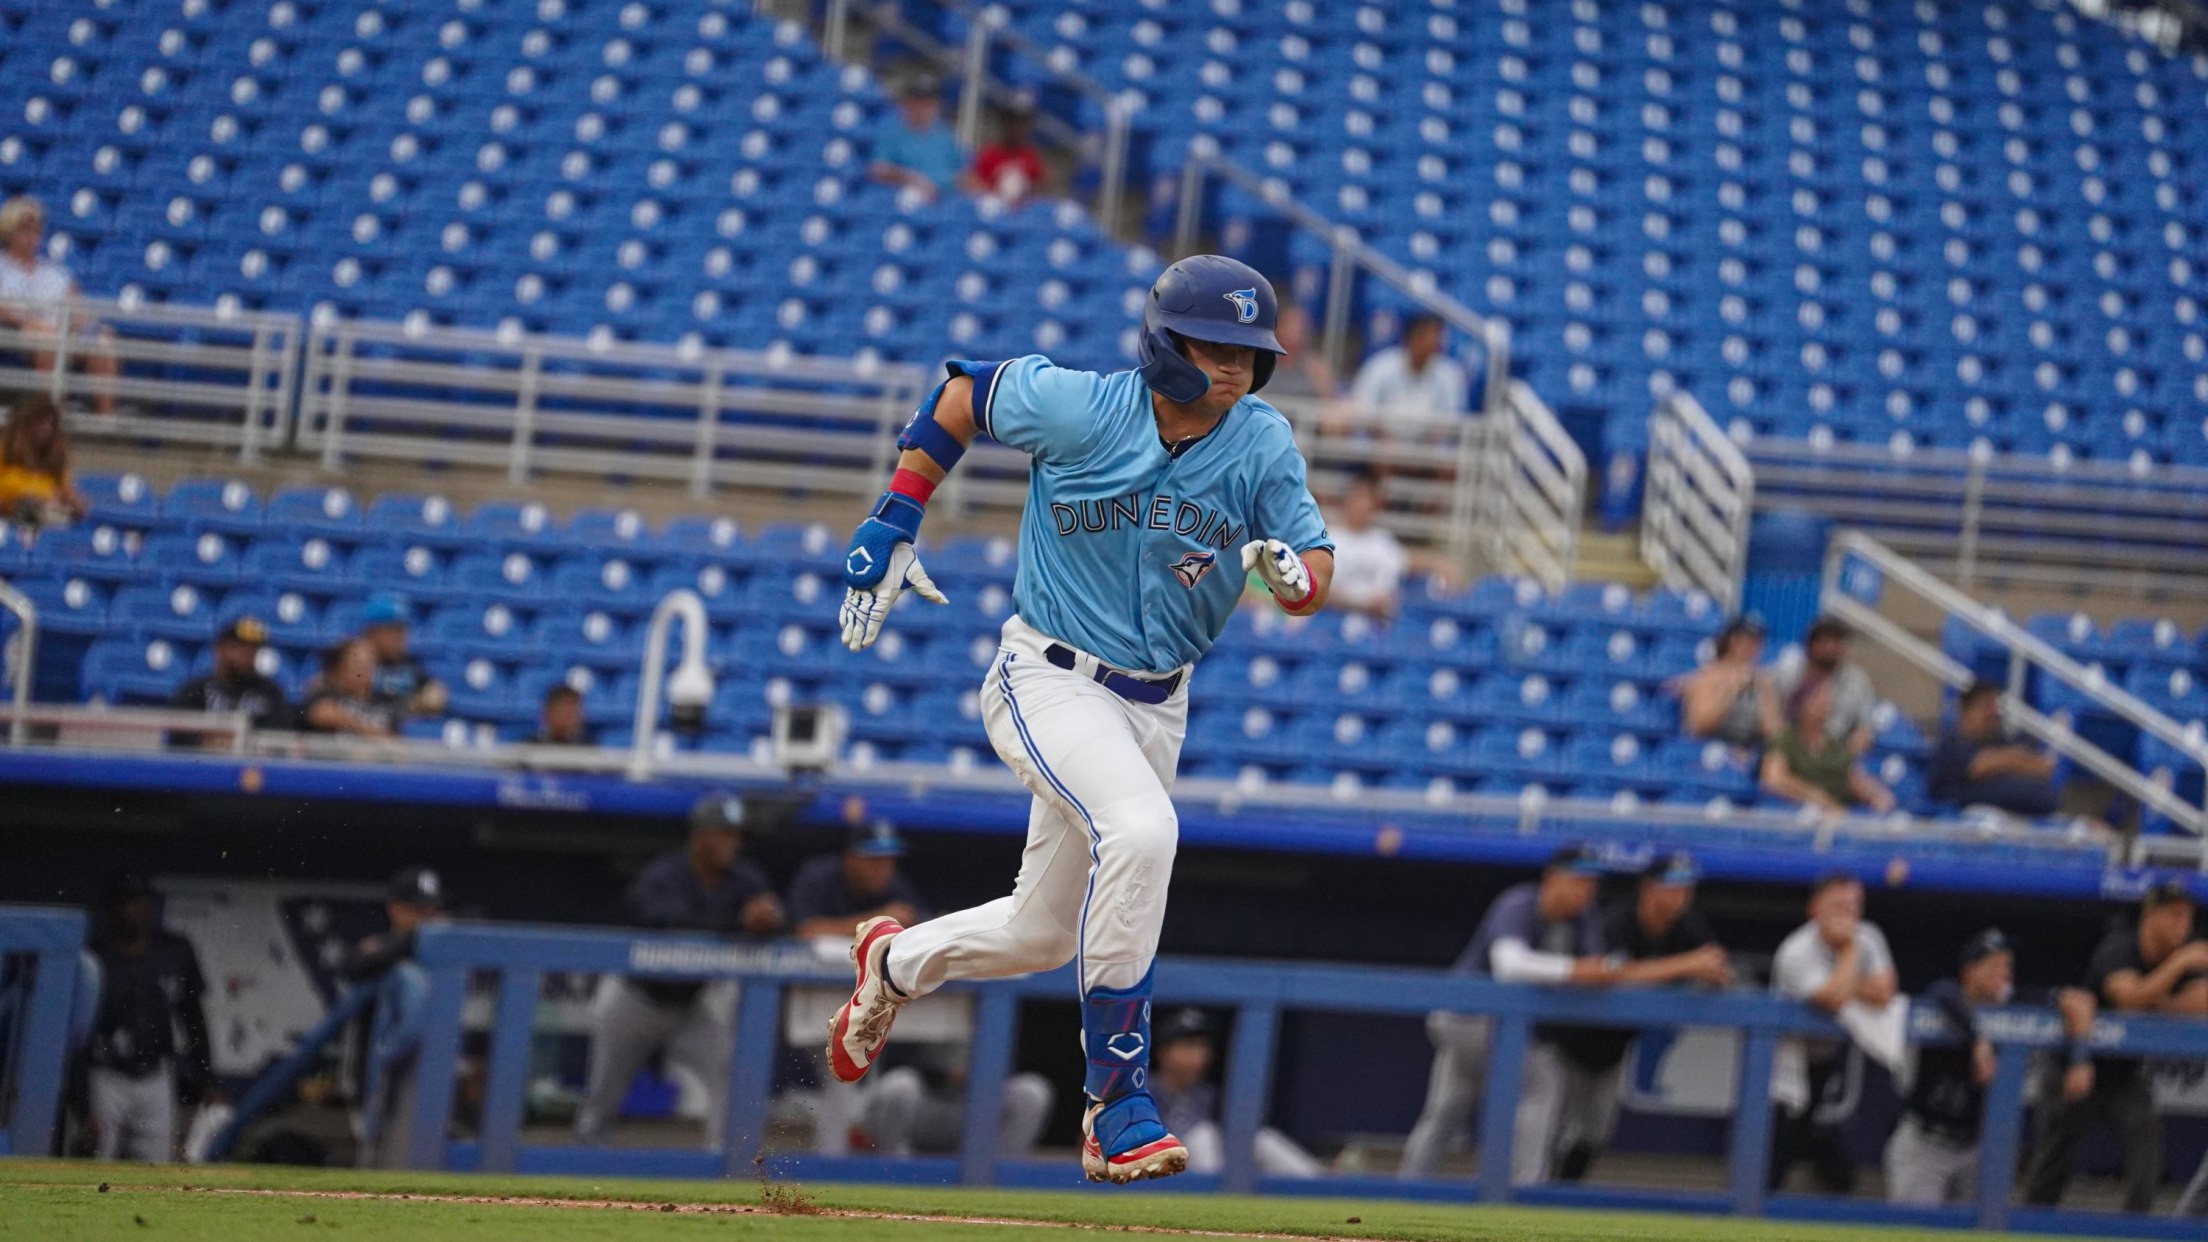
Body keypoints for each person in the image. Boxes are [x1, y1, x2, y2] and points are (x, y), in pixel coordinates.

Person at [827, 253, 1336, 1185]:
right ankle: (1115, 1100)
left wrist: (1296, 579)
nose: (1231, 367)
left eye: (1247, 352)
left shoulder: (1261, 441)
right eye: (1212, 345)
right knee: (1141, 831)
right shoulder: (1082, 406)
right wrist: (895, 516)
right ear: (1163, 340)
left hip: (1157, 705)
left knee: (1042, 935)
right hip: (1050, 675)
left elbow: (1313, 564)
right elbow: (962, 395)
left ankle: (895, 962)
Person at [1398, 844, 1733, 1184]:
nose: (1585, 890)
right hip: (1465, 1016)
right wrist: (1577, 970)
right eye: (1578, 880)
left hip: (1507, 1024)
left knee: (1448, 1107)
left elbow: (1603, 972)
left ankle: (1409, 1187)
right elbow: (1509, 965)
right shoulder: (1521, 902)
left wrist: (1599, 971)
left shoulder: (1584, 919)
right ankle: (1522, 1189)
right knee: (1541, 1083)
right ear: (1553, 878)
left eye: (1591, 883)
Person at [577, 793, 784, 1148]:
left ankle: (727, 1164)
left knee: (730, 1071)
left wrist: (770, 919)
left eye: (735, 835)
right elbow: (663, 920)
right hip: (634, 1001)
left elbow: (775, 914)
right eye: (722, 833)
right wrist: (737, 922)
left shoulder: (743, 878)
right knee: (603, 1097)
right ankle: (579, 1170)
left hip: (691, 1006)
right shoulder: (665, 874)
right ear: (699, 836)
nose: (731, 842)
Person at [1541, 852, 1733, 1182]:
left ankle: (1563, 1197)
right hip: (1565, 1041)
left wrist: (1710, 975)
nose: (1681, 896)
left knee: (1594, 1133)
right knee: (1548, 1128)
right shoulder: (1616, 920)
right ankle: (1529, 1198)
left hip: (1614, 1049)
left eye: (1686, 888)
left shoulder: (1688, 927)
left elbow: (1715, 966)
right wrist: (1685, 966)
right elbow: (1610, 975)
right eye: (1672, 887)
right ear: (1648, 888)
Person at [2024, 878, 2208, 1212]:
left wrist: (2156, 999)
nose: (2184, 925)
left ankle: (2134, 1231)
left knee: (2146, 1139)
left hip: (2122, 1075)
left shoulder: (2182, 949)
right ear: (2150, 915)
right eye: (2175, 915)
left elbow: (2202, 1002)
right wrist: (2177, 968)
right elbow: (2129, 998)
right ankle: (2029, 1226)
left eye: (2187, 917)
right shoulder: (2120, 946)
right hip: (2073, 1065)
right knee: (2055, 1157)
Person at [1883, 929, 2095, 1207]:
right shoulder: (1948, 1002)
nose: (2004, 972)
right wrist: (1977, 1039)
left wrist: (2080, 1060)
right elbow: (1941, 991)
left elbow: (2079, 1001)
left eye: (2008, 965)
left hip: (1976, 1148)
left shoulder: (2013, 1002)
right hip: (1926, 1145)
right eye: (1994, 965)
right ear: (1970, 973)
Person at [1768, 872, 1900, 1194]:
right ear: (1815, 908)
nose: (1849, 914)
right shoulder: (1796, 951)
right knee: (1774, 1155)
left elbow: (1885, 991)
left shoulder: (1869, 935)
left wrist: (1847, 968)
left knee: (1827, 1153)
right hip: (1781, 1065)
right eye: (1839, 905)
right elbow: (1833, 999)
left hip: (1826, 1060)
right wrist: (1851, 951)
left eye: (1855, 905)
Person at [81, 872, 215, 1162]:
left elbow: (193, 1017)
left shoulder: (174, 950)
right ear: (112, 909)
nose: (136, 909)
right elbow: (76, 1032)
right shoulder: (93, 957)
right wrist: (80, 1103)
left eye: (141, 901)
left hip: (155, 1074)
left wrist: (207, 1077)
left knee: (156, 1167)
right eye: (127, 902)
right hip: (106, 1074)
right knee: (95, 1161)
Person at [339, 867, 448, 1169]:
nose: (426, 918)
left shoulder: (444, 957)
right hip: (376, 1071)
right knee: (375, 1156)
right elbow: (351, 966)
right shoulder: (383, 947)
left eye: (431, 910)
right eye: (417, 910)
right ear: (395, 909)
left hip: (423, 1074)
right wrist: (411, 940)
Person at [1152, 1007, 1323, 1178]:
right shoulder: (1143, 1089)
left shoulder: (1208, 1094)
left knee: (1263, 1139)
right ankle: (1210, 1197)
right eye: (1188, 1046)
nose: (1198, 1055)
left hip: (1204, 1164)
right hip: (1157, 1170)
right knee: (1202, 1137)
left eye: (1202, 1046)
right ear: (1164, 1052)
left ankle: (1321, 1184)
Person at [0, 195, 119, 414]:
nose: (31, 237)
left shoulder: (54, 272)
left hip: (63, 332)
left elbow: (78, 306)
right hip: (19, 333)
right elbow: (4, 310)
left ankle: (105, 417)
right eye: (24, 230)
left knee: (102, 341)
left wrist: (87, 325)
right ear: (9, 232)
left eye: (35, 231)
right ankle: (55, 415)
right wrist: (34, 324)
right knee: (47, 341)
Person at [1761, 680, 1896, 814]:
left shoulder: (1834, 744)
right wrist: (1817, 798)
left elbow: (1854, 779)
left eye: (1826, 700)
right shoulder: (1786, 739)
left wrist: (1874, 794)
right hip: (1799, 811)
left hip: (1838, 813)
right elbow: (1773, 779)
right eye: (1817, 699)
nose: (1824, 704)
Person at [1927, 680, 2059, 817]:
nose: (1993, 713)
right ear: (1966, 711)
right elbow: (1980, 766)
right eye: (1986, 706)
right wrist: (2015, 759)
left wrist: (2008, 760)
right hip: (1966, 817)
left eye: (1995, 706)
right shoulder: (1952, 744)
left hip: (2021, 815)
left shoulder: (1998, 740)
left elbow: (2044, 769)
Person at [787, 821, 926, 940]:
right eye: (875, 860)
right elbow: (806, 931)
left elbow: (923, 929)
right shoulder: (818, 877)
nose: (884, 870)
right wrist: (878, 922)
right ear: (850, 858)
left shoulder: (895, 884)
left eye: (889, 861)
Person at [1775, 616, 1877, 754]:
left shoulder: (1856, 679)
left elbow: (1866, 723)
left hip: (1835, 752)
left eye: (1840, 641)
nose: (1836, 647)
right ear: (1813, 645)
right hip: (1791, 746)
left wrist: (1861, 736)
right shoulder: (1792, 670)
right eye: (1830, 641)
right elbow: (1772, 715)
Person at [171, 617, 293, 732]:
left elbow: (279, 733)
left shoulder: (270, 693)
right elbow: (180, 738)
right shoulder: (195, 691)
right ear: (220, 649)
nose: (247, 654)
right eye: (240, 647)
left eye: (253, 649)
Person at [1347, 312, 1469, 424]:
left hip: (1429, 446)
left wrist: (1424, 446)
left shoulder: (1449, 374)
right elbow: (1364, 410)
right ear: (1412, 338)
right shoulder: (1378, 367)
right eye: (1427, 336)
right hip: (1379, 445)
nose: (1434, 342)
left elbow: (1451, 421)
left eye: (1437, 336)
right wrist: (1385, 443)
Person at [1680, 615, 1781, 750]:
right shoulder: (1707, 677)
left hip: (1747, 752)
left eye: (1757, 643)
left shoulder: (1762, 680)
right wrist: (1732, 690)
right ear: (1731, 642)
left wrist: (1764, 692)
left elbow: (1774, 732)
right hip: (1708, 752)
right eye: (1747, 641)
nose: (1753, 648)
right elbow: (1698, 725)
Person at [1323, 471, 1410, 620]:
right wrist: (1362, 605)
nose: (1363, 506)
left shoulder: (1383, 541)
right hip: (1335, 620)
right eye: (1359, 498)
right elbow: (1318, 592)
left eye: (1369, 500)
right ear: (1347, 501)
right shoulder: (1327, 540)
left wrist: (1440, 565)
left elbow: (1408, 562)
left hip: (1380, 624)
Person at [869, 75, 964, 199]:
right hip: (909, 201)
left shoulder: (946, 137)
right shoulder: (893, 136)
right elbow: (878, 170)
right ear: (906, 105)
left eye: (928, 103)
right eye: (918, 102)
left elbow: (962, 174)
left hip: (947, 203)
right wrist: (910, 178)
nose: (923, 109)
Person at [0, 392, 86, 526]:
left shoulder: (54, 464)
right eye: (40, 423)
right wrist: (37, 494)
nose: (46, 429)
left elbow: (64, 492)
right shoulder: (5, 452)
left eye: (51, 424)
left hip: (46, 519)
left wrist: (74, 502)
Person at [361, 593, 447, 720]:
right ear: (372, 631)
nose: (400, 637)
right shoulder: (353, 662)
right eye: (392, 630)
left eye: (403, 630)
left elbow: (435, 695)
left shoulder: (409, 665)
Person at [302, 639, 398, 737]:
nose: (363, 673)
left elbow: (395, 740)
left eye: (369, 665)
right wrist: (368, 731)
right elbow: (320, 714)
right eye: (356, 666)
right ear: (338, 668)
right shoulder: (327, 694)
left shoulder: (385, 702)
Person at [967, 96, 1045, 202]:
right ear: (1004, 123)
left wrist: (1024, 189)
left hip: (1022, 212)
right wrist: (996, 190)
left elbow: (1041, 187)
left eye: (1022, 122)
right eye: (1012, 121)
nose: (1017, 127)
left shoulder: (1031, 156)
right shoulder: (989, 153)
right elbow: (971, 183)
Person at [1264, 301, 1340, 403]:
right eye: (1290, 325)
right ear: (1278, 328)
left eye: (1299, 327)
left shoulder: (1316, 368)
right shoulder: (1264, 362)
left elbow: (1330, 403)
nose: (1294, 332)